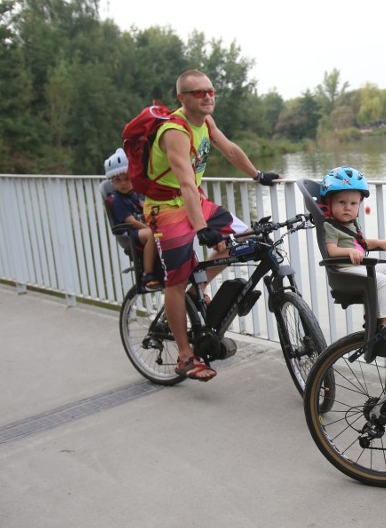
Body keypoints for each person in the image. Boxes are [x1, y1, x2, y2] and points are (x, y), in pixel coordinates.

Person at [144, 69, 279, 382]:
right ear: (182, 98)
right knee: (174, 281)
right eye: (198, 92)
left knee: (248, 240)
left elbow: (229, 148)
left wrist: (258, 175)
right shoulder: (175, 131)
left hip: (194, 201)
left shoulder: (204, 122)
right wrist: (201, 227)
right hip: (167, 207)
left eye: (210, 91)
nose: (207, 97)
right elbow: (186, 183)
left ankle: (200, 285)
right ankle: (184, 355)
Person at [320, 167, 386, 343]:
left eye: (353, 204)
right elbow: (331, 250)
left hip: (358, 267)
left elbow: (362, 244)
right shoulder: (330, 226)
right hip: (344, 271)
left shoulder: (352, 224)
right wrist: (349, 251)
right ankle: (385, 322)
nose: (347, 208)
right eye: (341, 203)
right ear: (330, 203)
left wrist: (380, 243)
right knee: (381, 279)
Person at [104, 148, 161, 292]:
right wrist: (151, 228)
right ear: (112, 181)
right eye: (118, 180)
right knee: (153, 235)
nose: (123, 183)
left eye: (127, 179)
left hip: (141, 230)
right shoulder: (118, 200)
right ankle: (148, 274)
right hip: (130, 233)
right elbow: (131, 221)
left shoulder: (137, 195)